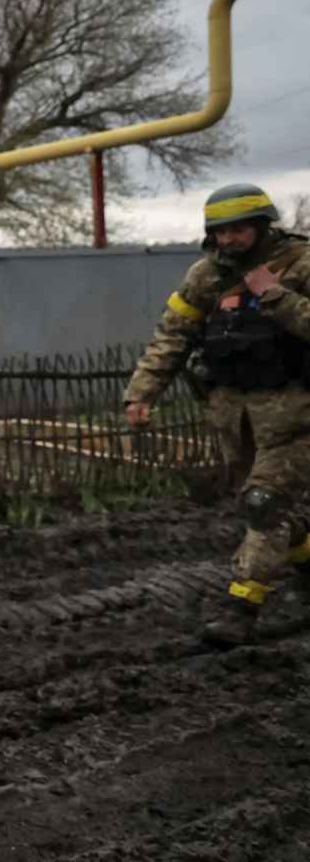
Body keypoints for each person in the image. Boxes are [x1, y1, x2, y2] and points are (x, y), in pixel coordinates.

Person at [124, 182, 310, 648]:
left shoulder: (301, 265)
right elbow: (172, 335)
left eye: (239, 230)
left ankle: (241, 609)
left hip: (297, 415)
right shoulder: (205, 277)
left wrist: (276, 296)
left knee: (262, 504)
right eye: (220, 231)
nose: (228, 240)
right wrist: (142, 393)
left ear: (263, 225)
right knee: (274, 512)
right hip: (235, 417)